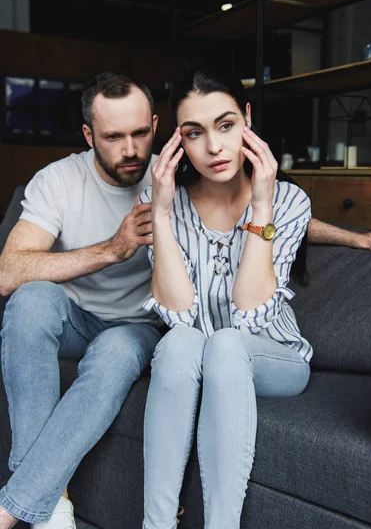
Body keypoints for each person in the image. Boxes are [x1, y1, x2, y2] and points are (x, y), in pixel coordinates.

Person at [139, 67, 313, 529]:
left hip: (273, 354)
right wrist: (158, 210)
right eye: (194, 133)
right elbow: (177, 314)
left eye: (226, 125)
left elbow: (250, 310)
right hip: (198, 349)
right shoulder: (164, 200)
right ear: (177, 142)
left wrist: (261, 206)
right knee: (178, 342)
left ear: (247, 120)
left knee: (226, 341)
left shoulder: (288, 202)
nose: (214, 148)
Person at [0, 71, 163, 529]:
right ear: (90, 135)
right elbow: (8, 273)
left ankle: (25, 509)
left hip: (137, 325)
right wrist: (113, 249)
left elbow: (258, 208)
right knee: (31, 301)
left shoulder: (174, 176)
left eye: (140, 133)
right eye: (113, 137)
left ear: (154, 124)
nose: (130, 150)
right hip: (75, 318)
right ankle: (51, 506)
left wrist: (360, 240)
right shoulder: (58, 180)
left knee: (116, 351)